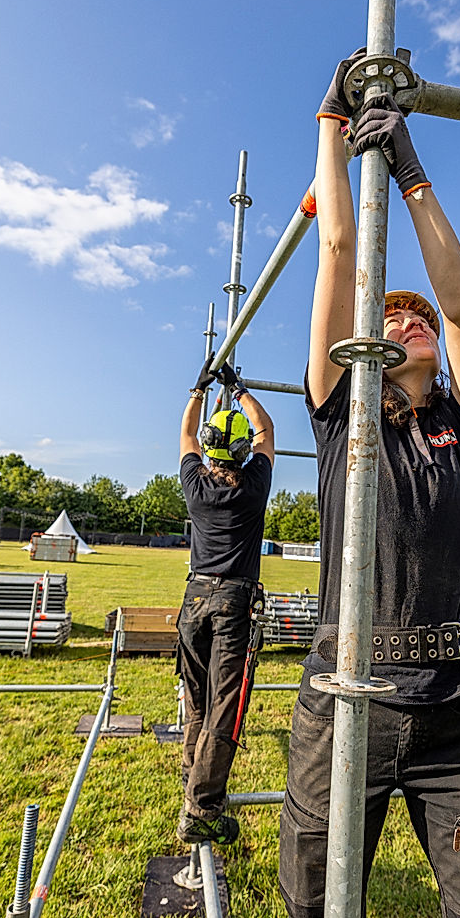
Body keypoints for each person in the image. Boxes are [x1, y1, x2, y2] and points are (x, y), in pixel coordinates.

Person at [277, 55, 460, 918]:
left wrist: (415, 173)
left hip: (456, 710)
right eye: (388, 318)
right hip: (341, 699)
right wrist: (331, 122)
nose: (407, 320)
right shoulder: (340, 414)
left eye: (413, 316)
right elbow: (340, 252)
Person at [176, 355, 275, 844]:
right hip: (234, 602)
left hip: (193, 599)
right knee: (225, 706)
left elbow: (187, 436)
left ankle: (192, 774)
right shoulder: (253, 487)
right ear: (240, 450)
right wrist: (240, 390)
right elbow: (267, 430)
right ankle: (202, 808)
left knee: (197, 698)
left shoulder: (195, 486)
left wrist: (199, 390)